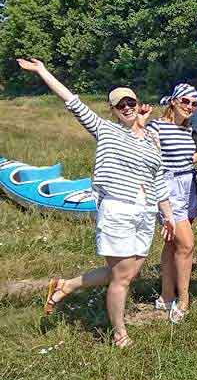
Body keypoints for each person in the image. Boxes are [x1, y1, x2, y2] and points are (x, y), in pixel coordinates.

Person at [20, 59, 174, 348]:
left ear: (138, 103)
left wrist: (168, 216)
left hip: (146, 211)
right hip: (118, 209)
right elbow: (73, 102)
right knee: (121, 278)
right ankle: (119, 333)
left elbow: (158, 179)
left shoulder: (151, 139)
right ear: (112, 110)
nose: (126, 107)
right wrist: (42, 71)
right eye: (120, 105)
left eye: (130, 102)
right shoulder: (106, 130)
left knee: (129, 272)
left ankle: (66, 285)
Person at [146, 83, 197, 324]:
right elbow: (150, 159)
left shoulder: (187, 129)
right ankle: (184, 299)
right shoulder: (156, 126)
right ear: (174, 101)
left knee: (172, 244)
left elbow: (187, 159)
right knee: (187, 244)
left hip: (189, 187)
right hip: (169, 189)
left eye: (194, 104)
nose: (190, 107)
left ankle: (166, 295)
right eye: (185, 101)